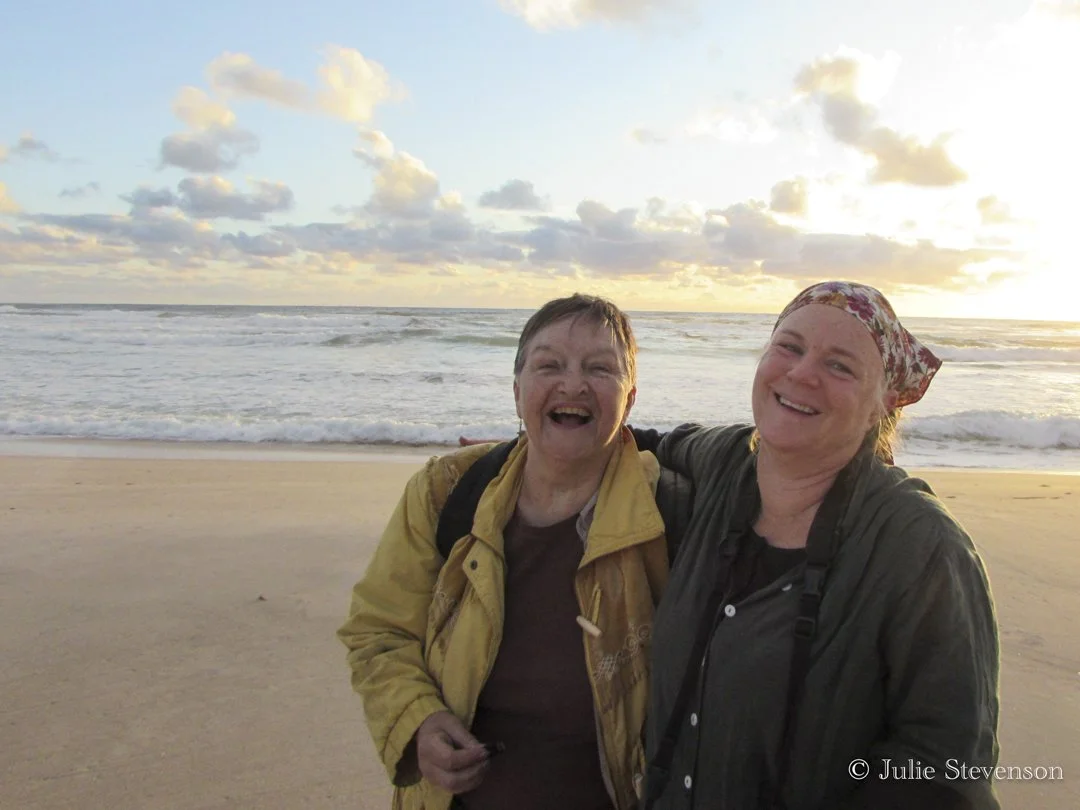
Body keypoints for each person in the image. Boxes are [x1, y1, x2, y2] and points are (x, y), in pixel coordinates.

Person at [635, 281, 1000, 810]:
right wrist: (501, 460)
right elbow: (642, 442)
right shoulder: (724, 462)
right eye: (789, 346)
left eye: (840, 366)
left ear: (881, 406)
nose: (801, 373)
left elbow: (945, 772)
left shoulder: (922, 546)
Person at [338, 294, 687, 810]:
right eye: (550, 365)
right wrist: (419, 721)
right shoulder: (446, 492)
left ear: (629, 399)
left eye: (599, 368)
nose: (573, 384)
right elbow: (378, 629)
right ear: (517, 390)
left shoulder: (669, 512)